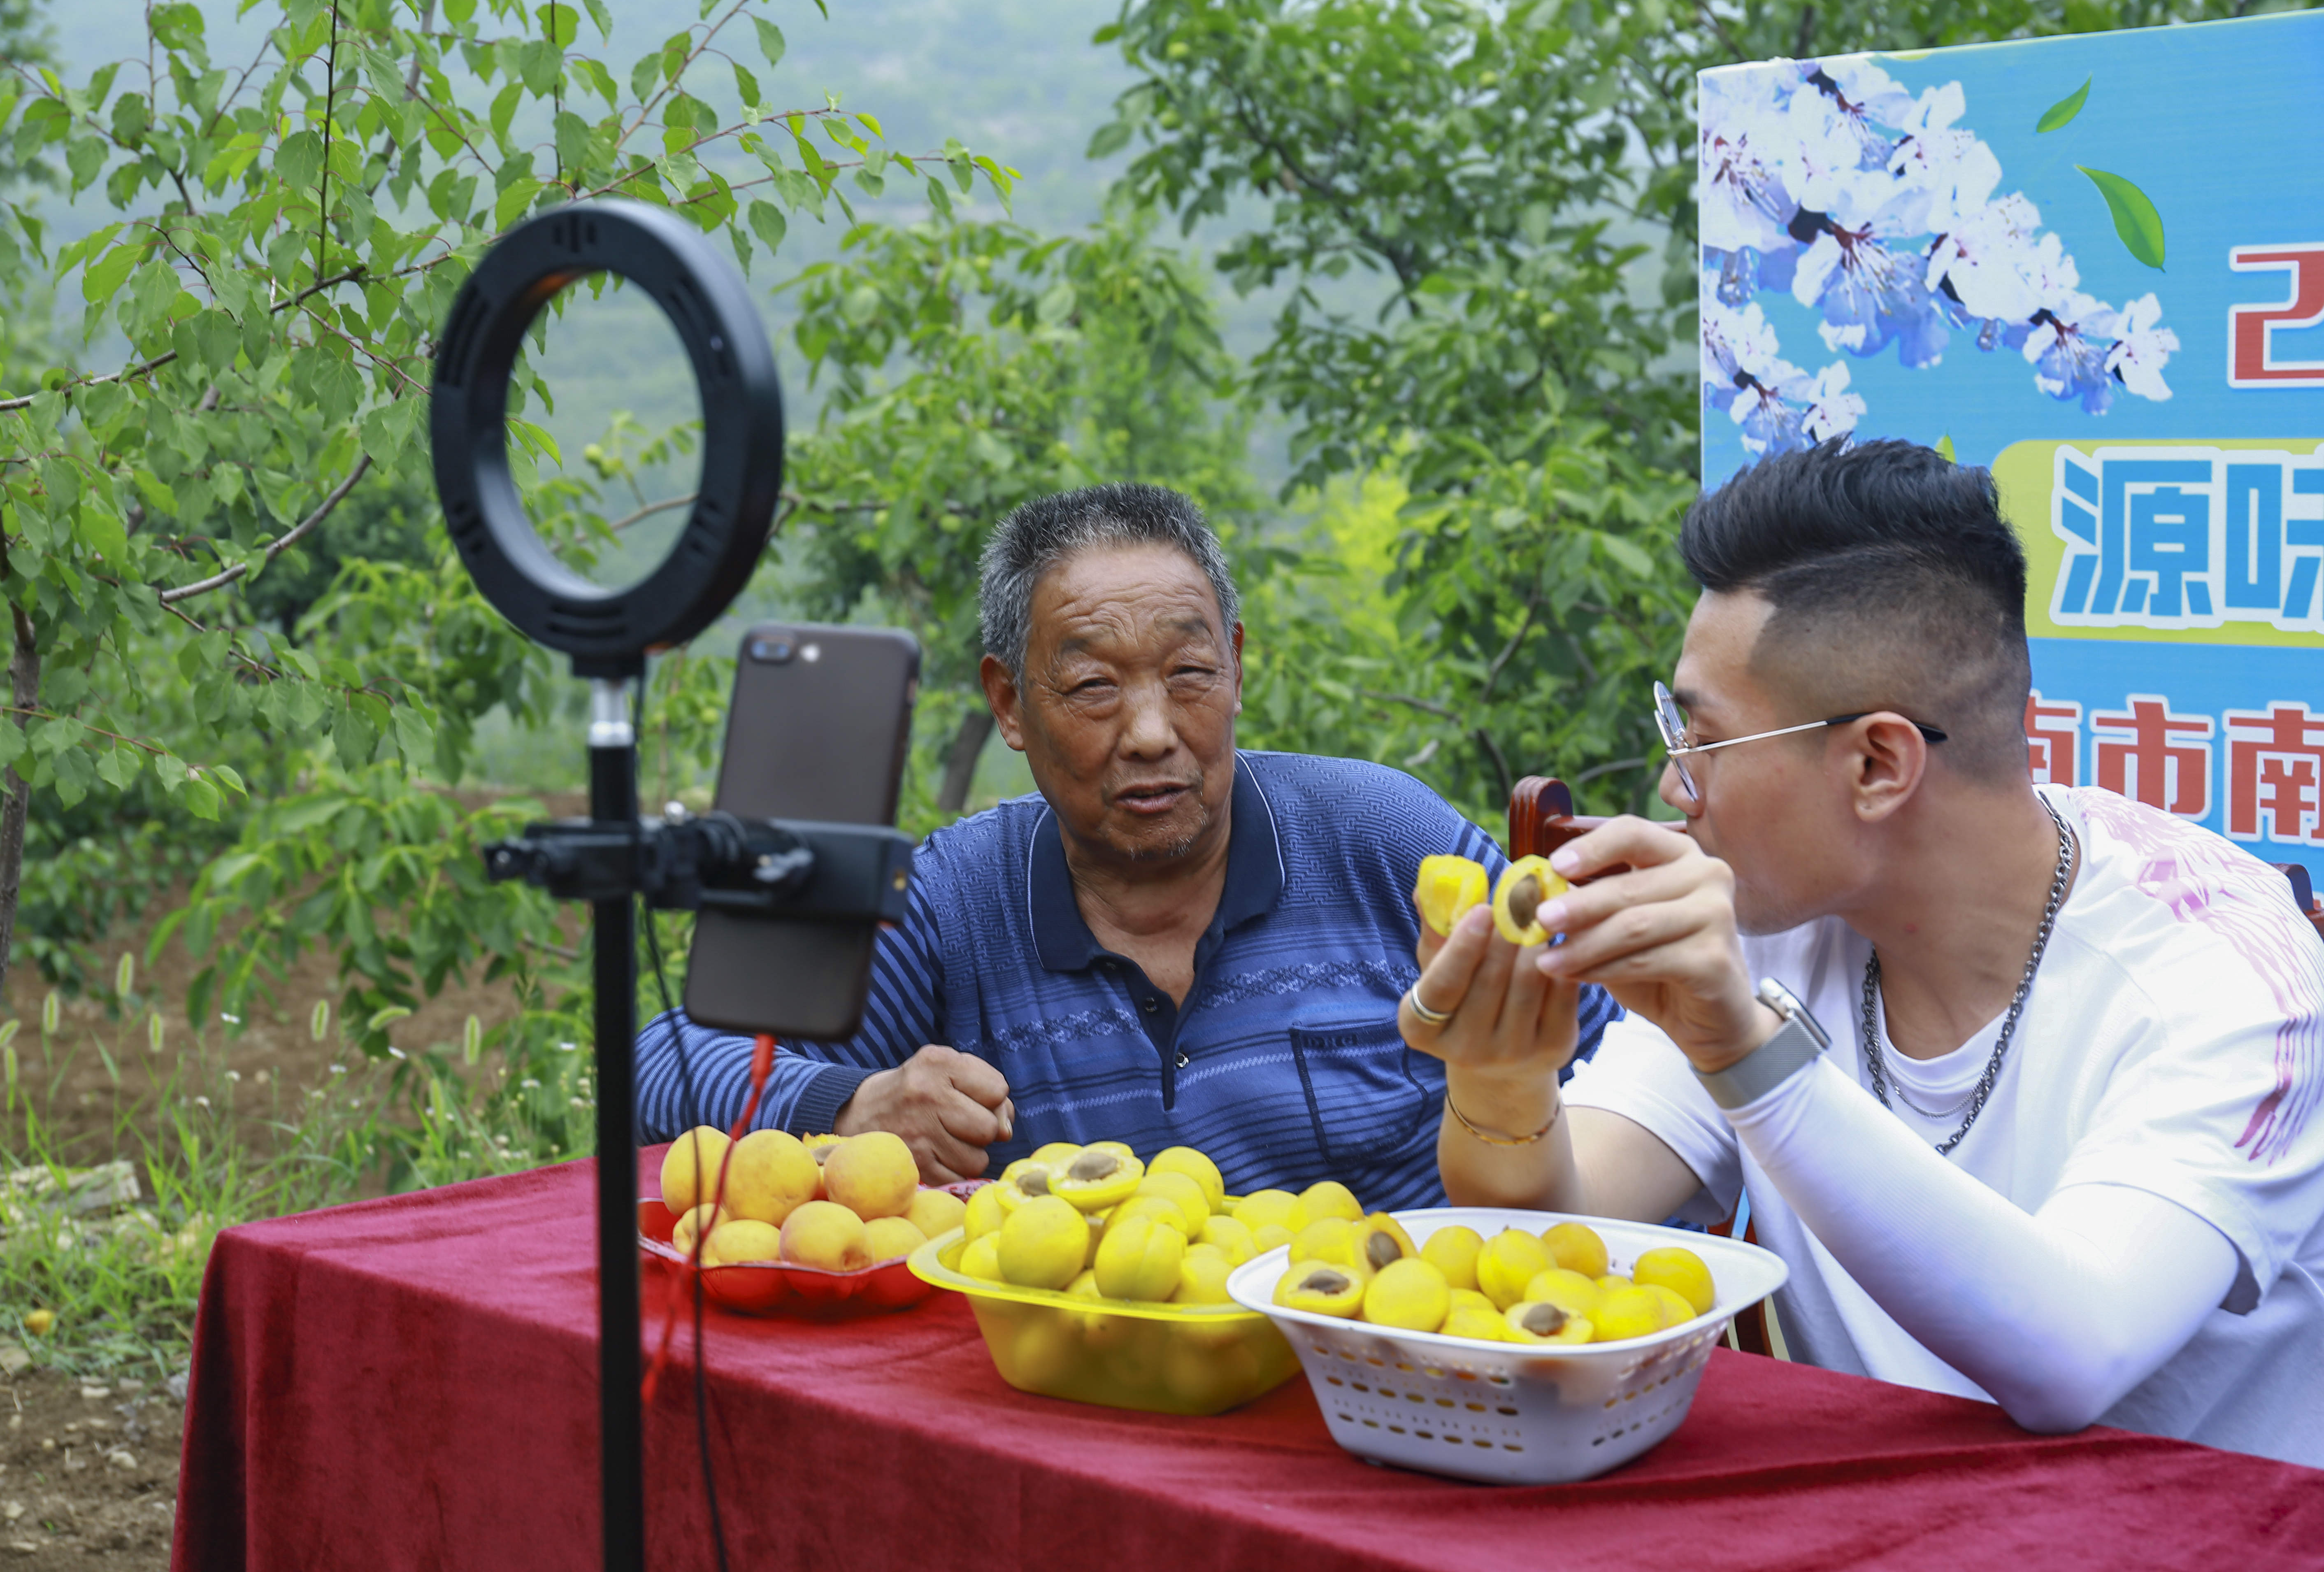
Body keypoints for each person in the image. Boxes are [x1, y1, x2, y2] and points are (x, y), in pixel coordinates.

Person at [1402, 437, 2324, 1466]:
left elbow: (2076, 1355)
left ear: (1878, 764)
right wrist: (1503, 1074)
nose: (1674, 789)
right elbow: (1558, 1223)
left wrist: (1745, 1051)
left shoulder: (2225, 972)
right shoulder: (1768, 918)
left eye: (1699, 741)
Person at [638, 482, 1619, 1207]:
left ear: (1237, 668)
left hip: (1395, 1376)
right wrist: (854, 1104)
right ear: (1009, 705)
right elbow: (669, 1063)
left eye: (1190, 672)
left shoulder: (1381, 841)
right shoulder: (956, 900)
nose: (1151, 731)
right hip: (1091, 1408)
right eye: (1095, 687)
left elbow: (1627, 1045)